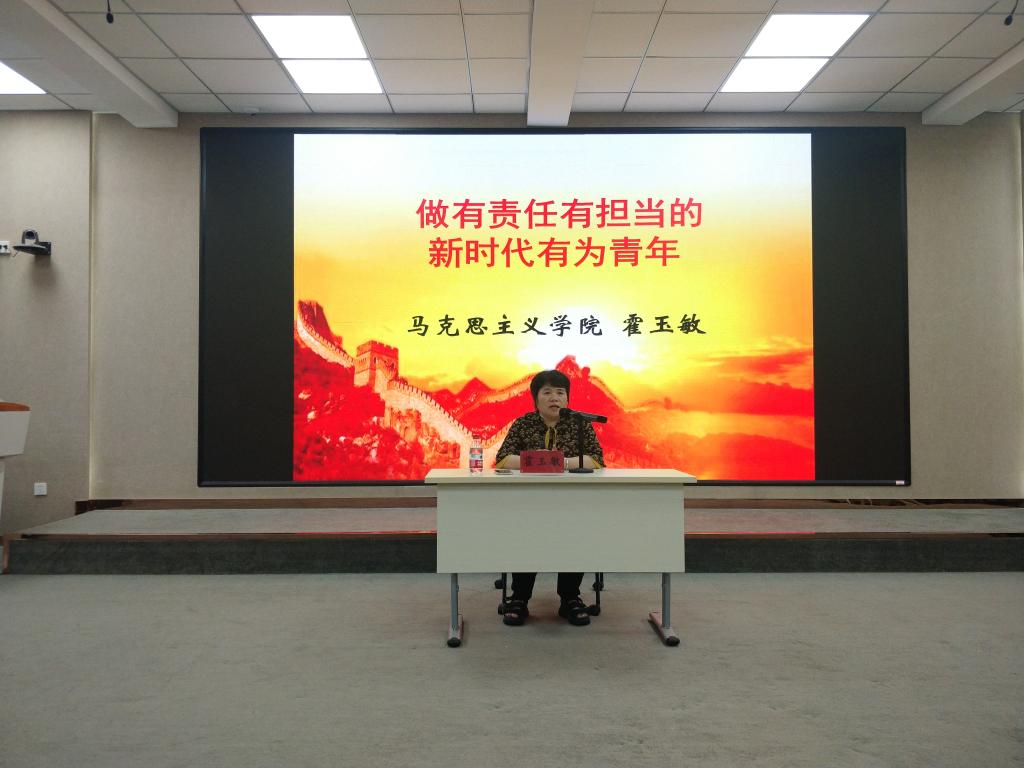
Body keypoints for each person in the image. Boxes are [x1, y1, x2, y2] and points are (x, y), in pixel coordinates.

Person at [493, 369, 604, 627]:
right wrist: (540, 461)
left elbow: (597, 460)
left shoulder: (579, 424)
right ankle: (519, 598)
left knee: (573, 538)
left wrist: (560, 463)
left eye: (560, 393)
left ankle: (570, 598)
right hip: (529, 502)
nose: (555, 398)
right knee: (526, 539)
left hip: (572, 502)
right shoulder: (523, 424)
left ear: (567, 398)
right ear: (536, 398)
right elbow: (503, 459)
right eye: (547, 392)